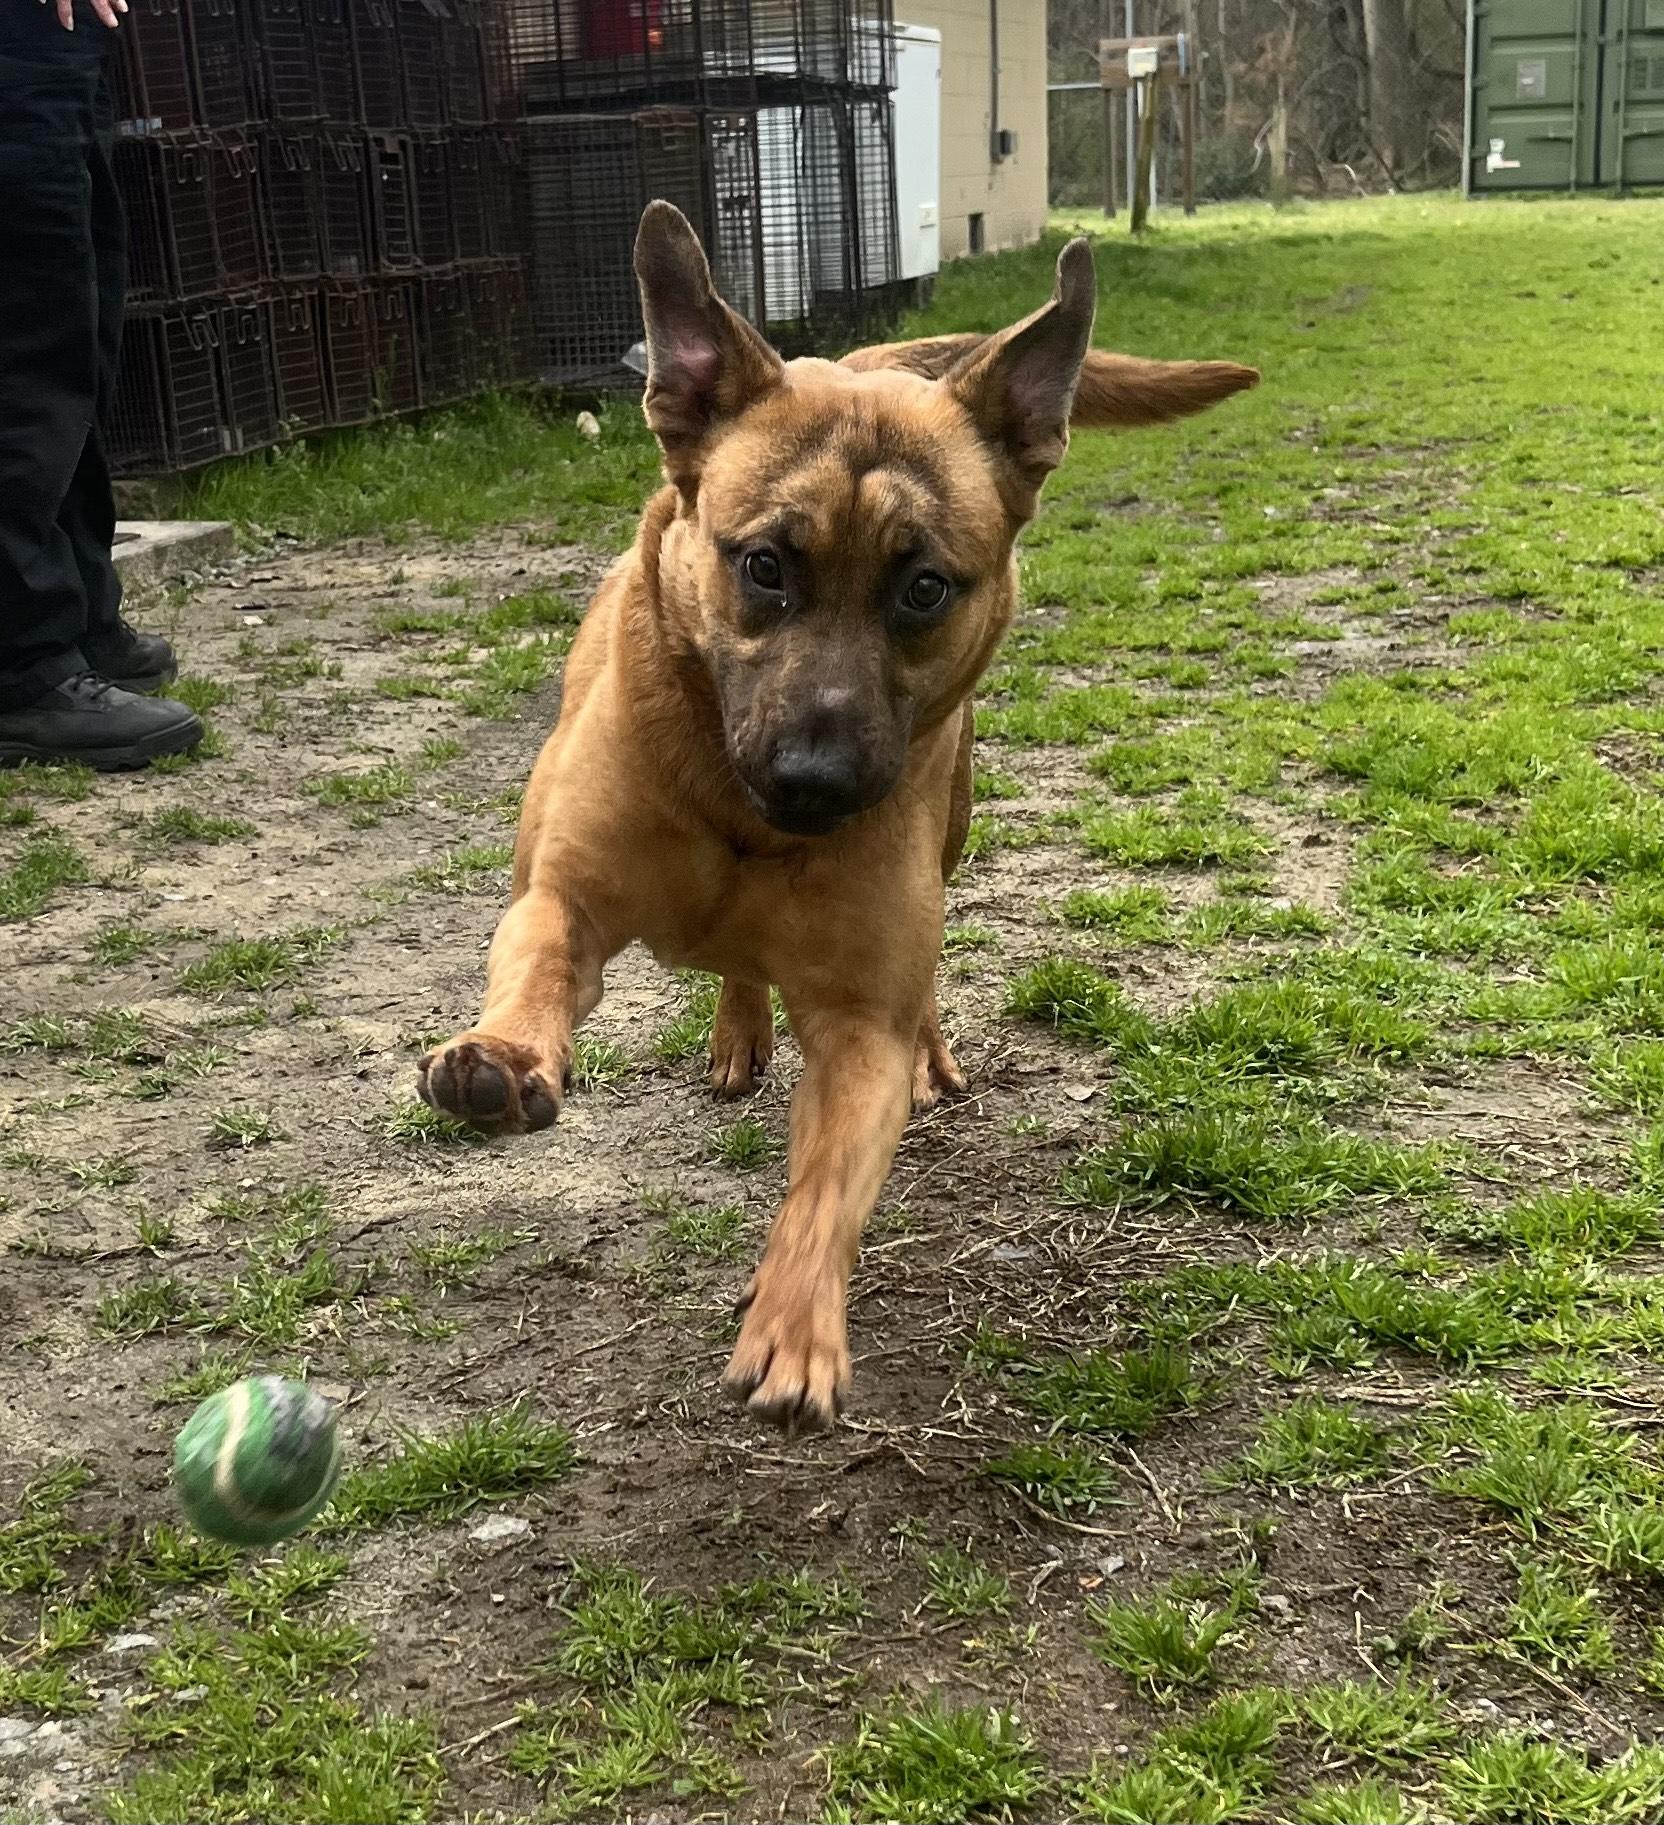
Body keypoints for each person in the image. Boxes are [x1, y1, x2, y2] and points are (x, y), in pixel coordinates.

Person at [0, 0, 202, 769]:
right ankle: (22, 667)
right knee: (25, 352)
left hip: (60, 50)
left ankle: (77, 617)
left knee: (77, 340)